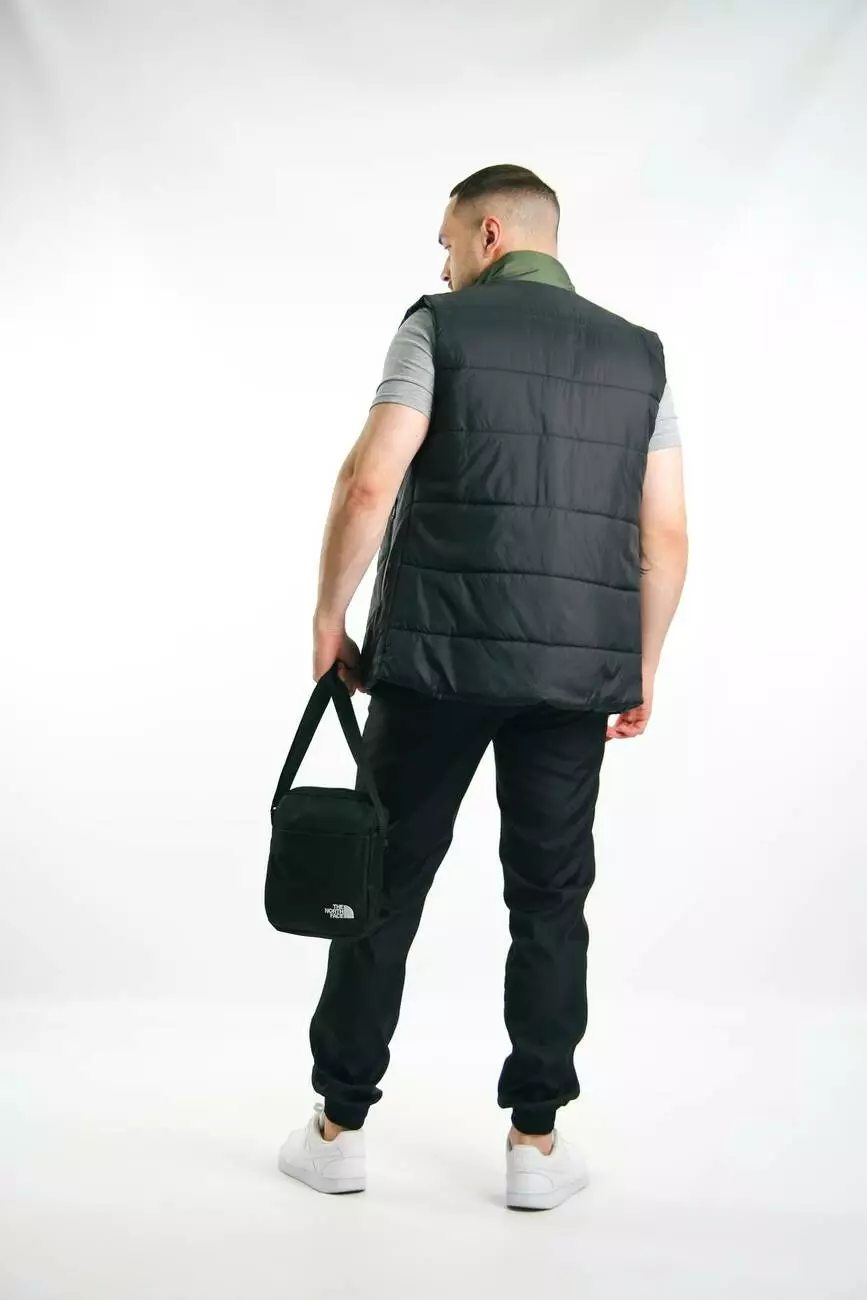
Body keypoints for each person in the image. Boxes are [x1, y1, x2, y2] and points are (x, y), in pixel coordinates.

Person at [277, 164, 688, 1211]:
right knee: (549, 901)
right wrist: (641, 662)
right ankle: (535, 1144)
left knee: (382, 884)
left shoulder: (437, 328)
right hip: (571, 679)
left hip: (432, 665)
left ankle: (338, 1128)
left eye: (448, 244)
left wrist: (328, 617)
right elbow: (667, 533)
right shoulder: (638, 354)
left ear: (490, 234)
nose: (444, 265)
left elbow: (370, 480)